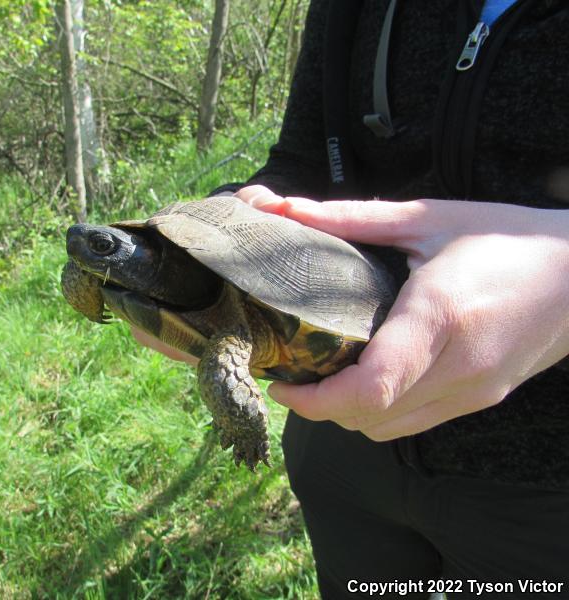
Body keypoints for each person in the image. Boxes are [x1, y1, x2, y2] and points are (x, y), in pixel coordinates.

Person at [133, 1, 569, 597]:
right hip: (340, 434)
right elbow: (300, 165)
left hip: (546, 481)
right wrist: (222, 222)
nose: (97, 254)